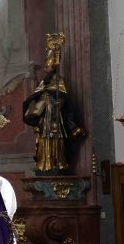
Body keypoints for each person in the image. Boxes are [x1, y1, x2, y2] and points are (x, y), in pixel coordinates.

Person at [22, 34, 85, 172]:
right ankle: (45, 164)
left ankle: (59, 164)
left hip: (57, 117)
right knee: (45, 140)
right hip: (45, 119)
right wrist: (38, 103)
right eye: (45, 66)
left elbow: (65, 97)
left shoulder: (60, 82)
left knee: (57, 140)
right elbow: (34, 96)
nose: (46, 69)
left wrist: (60, 101)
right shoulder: (43, 83)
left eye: (48, 66)